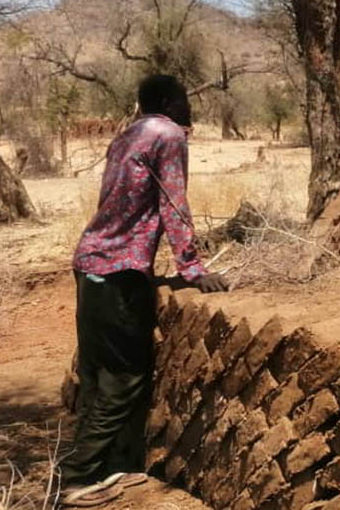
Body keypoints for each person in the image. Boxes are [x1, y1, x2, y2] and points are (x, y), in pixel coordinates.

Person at [59, 74, 229, 507]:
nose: (188, 107)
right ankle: (79, 478)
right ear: (170, 102)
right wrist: (191, 267)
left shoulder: (129, 133)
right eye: (185, 99)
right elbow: (174, 202)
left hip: (89, 263)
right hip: (119, 271)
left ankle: (99, 465)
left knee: (96, 376)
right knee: (124, 380)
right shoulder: (168, 134)